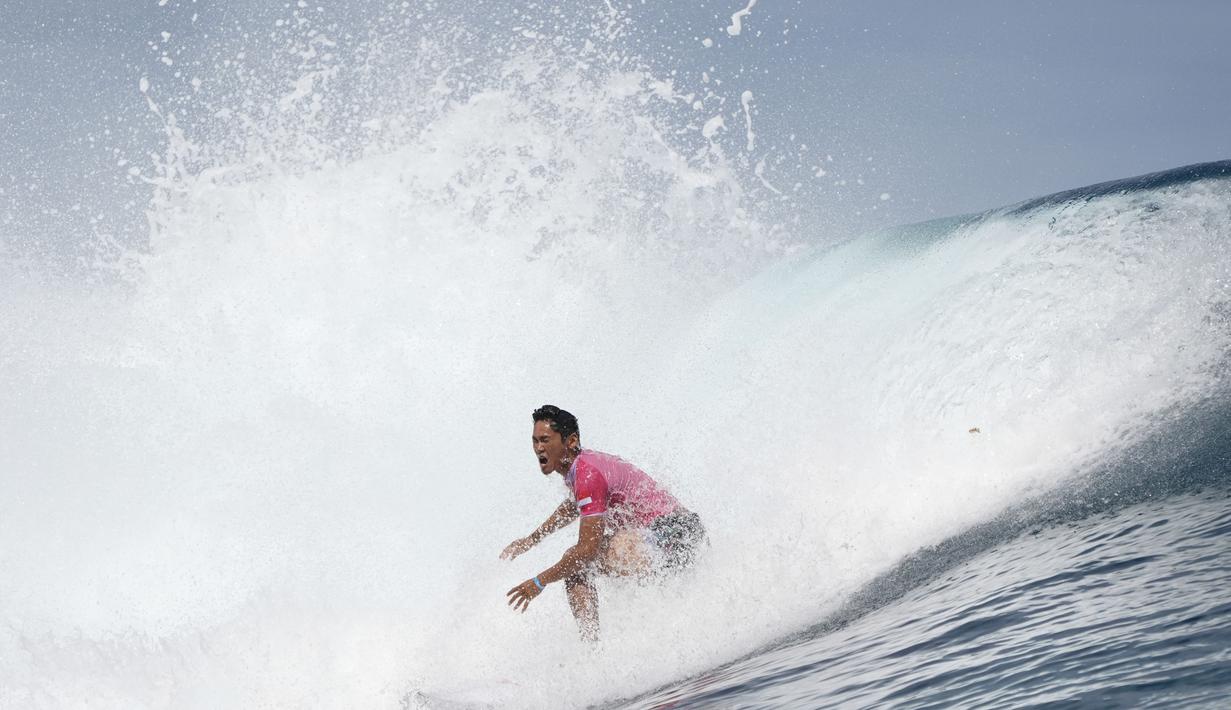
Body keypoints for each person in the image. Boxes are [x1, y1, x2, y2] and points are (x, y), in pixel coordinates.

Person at [502, 405, 706, 641]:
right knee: (580, 562)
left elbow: (586, 551)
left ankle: (592, 651)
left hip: (673, 535)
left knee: (576, 563)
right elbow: (574, 506)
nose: (539, 448)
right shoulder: (581, 467)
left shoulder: (587, 475)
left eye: (545, 440)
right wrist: (532, 540)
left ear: (571, 441)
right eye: (535, 441)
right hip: (683, 533)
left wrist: (539, 582)